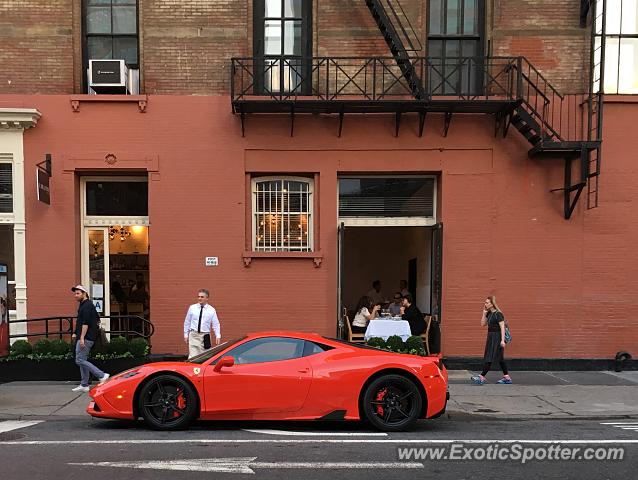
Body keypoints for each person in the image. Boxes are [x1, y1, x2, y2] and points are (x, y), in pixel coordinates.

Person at [71, 285, 109, 392]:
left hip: (86, 337)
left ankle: (101, 375)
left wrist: (82, 338)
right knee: (82, 359)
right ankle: (84, 384)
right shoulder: (83, 305)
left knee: (80, 359)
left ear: (84, 294)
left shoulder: (87, 305)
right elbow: (80, 321)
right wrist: (75, 333)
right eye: (75, 293)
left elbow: (85, 323)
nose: (75, 295)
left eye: (78, 293)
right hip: (83, 336)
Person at [471, 295, 512, 385]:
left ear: (492, 304)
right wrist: (484, 313)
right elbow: (482, 324)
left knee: (490, 356)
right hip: (490, 337)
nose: (485, 304)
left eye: (487, 302)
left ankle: (481, 377)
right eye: (485, 302)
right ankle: (507, 377)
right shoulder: (489, 313)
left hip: (497, 337)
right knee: (500, 358)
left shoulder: (498, 314)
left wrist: (502, 340)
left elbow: (502, 328)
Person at [183, 288, 221, 359]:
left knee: (205, 357)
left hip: (205, 336)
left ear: (207, 298)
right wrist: (186, 334)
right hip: (194, 335)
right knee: (193, 357)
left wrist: (217, 335)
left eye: (202, 297)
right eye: (198, 296)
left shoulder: (211, 310)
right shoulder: (192, 308)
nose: (199, 298)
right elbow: (187, 322)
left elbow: (216, 324)